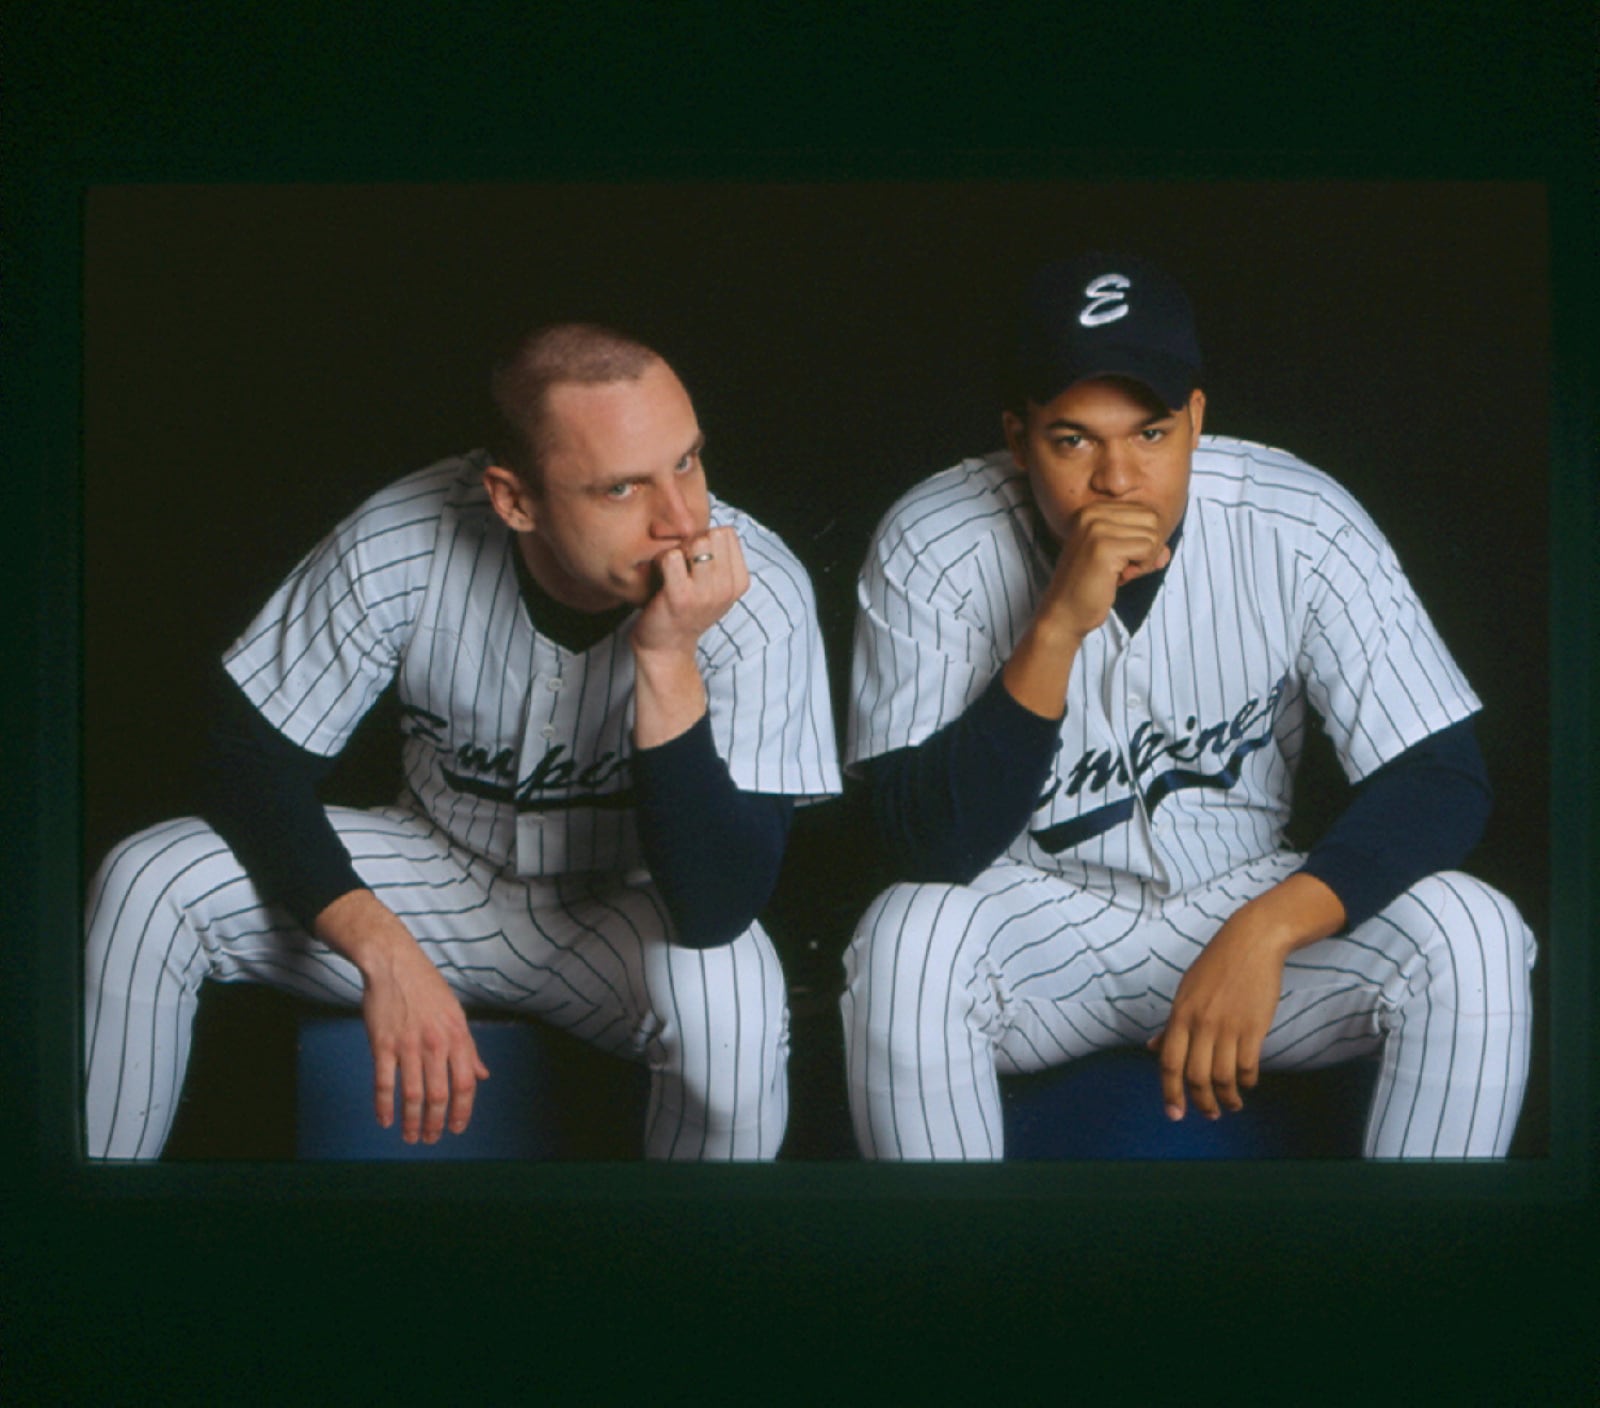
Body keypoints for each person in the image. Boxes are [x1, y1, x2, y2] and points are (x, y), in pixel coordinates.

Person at [84, 323, 841, 1161]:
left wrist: (666, 660)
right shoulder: (407, 532)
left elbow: (717, 904)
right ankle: (78, 1243)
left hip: (627, 913)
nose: (681, 518)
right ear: (514, 499)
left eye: (688, 462)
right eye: (622, 489)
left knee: (735, 1002)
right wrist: (380, 945)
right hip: (431, 874)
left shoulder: (757, 591)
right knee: (148, 882)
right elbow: (243, 755)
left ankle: (689, 1283)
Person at [841, 253, 1535, 1159]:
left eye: (1152, 433)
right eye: (1073, 439)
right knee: (903, 944)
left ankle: (1412, 1284)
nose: (1119, 479)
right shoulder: (935, 539)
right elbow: (922, 844)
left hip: (1242, 901)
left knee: (1473, 931)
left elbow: (1442, 779)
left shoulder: (1295, 516)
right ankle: (952, 1285)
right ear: (1018, 438)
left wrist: (1268, 927)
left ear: (1197, 420)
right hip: (1037, 925)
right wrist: (1054, 628)